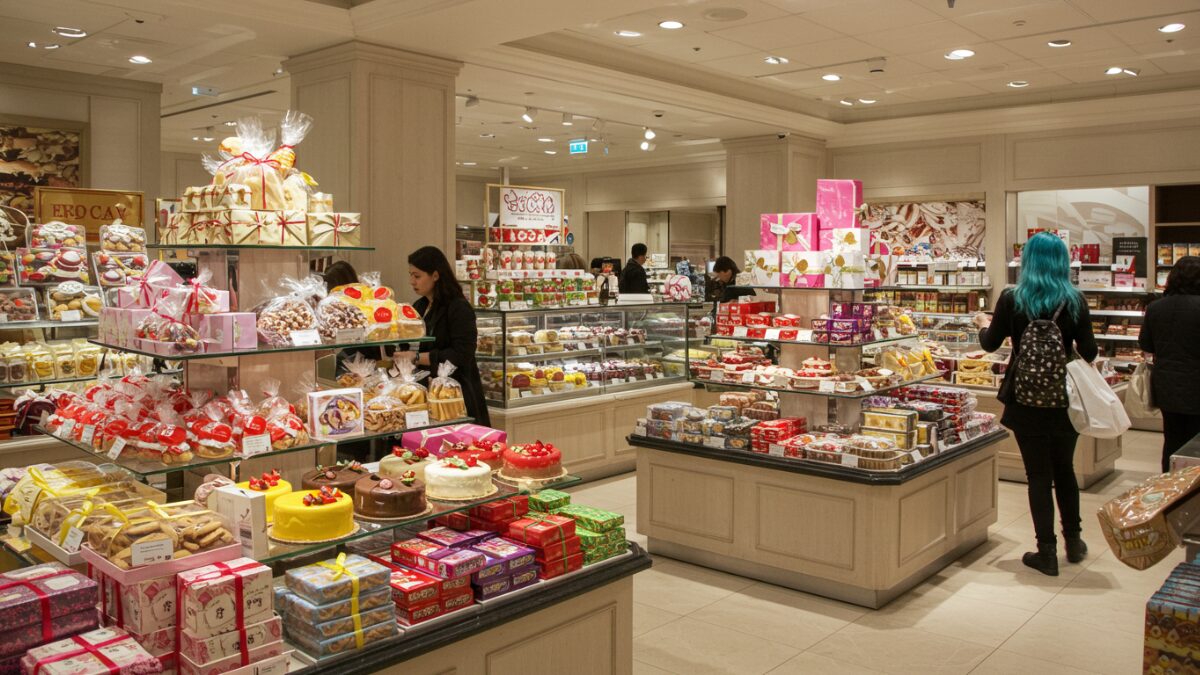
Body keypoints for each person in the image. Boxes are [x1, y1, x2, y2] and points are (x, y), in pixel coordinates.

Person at [974, 232, 1097, 576]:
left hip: (1025, 400)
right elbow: (1089, 351)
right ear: (1062, 263)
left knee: (1038, 476)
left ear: (1027, 261)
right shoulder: (1075, 300)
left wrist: (983, 324)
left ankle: (1046, 552)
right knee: (1065, 470)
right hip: (1064, 401)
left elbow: (989, 344)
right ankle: (1074, 541)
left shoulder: (1012, 298)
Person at [408, 246, 491, 427]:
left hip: (455, 394)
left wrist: (416, 357)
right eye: (411, 275)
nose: (412, 281)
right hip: (427, 392)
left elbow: (462, 353)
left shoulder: (458, 307)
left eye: (417, 276)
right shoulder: (419, 306)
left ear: (435, 275)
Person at [1139, 256, 1200, 472]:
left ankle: (1168, 484)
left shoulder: (1156, 307)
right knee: (1196, 444)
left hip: (1166, 385)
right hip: (1196, 386)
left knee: (1171, 439)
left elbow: (1146, 344)